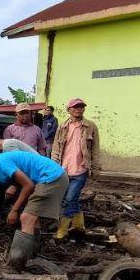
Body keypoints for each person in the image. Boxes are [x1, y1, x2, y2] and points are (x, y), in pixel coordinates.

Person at [0, 147, 69, 269]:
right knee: (32, 219)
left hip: (52, 177)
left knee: (26, 218)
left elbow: (28, 185)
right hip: (52, 177)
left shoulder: (2, 162)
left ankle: (15, 266)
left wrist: (14, 210)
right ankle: (31, 257)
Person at [51, 98, 100, 239]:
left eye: (81, 107)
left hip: (81, 170)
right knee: (73, 200)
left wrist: (95, 168)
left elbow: (95, 149)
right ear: (69, 110)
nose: (78, 109)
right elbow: (55, 147)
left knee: (68, 199)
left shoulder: (91, 126)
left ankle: (62, 230)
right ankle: (79, 226)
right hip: (64, 169)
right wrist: (54, 164)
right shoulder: (62, 127)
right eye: (75, 107)